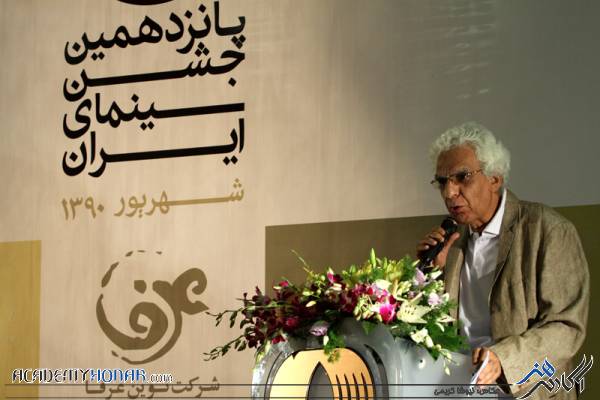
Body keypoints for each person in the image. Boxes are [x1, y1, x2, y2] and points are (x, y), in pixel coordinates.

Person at [417, 122, 589, 399]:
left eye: (462, 177)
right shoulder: (452, 242)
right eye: (442, 181)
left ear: (494, 178)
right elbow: (435, 330)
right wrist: (432, 275)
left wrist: (503, 360)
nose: (449, 193)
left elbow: (566, 327)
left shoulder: (548, 230)